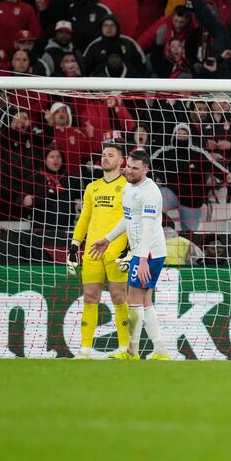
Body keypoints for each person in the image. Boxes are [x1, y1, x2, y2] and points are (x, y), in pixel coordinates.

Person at [90, 150, 171, 360]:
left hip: (149, 252)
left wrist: (142, 260)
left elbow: (147, 227)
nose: (130, 171)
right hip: (142, 252)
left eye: (136, 168)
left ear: (146, 170)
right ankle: (161, 351)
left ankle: (132, 352)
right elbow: (128, 219)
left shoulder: (150, 192)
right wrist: (107, 239)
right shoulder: (128, 187)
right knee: (145, 301)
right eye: (129, 166)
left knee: (133, 298)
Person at [67, 143, 131, 360]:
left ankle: (124, 349)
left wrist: (130, 249)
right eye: (103, 155)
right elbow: (84, 218)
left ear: (121, 161)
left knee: (119, 296)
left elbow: (132, 221)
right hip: (92, 250)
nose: (105, 158)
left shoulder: (128, 187)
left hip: (117, 251)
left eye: (111, 155)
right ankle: (84, 350)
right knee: (89, 297)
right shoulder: (92, 187)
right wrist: (75, 244)